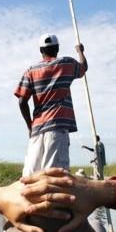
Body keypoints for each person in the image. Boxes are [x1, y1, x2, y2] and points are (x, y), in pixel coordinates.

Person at [15, 34, 88, 177]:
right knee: (54, 176)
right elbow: (83, 68)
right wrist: (80, 51)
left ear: (41, 50)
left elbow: (22, 101)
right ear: (58, 48)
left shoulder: (31, 71)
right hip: (57, 127)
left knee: (30, 175)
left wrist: (30, 126)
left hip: (37, 128)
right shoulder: (66, 64)